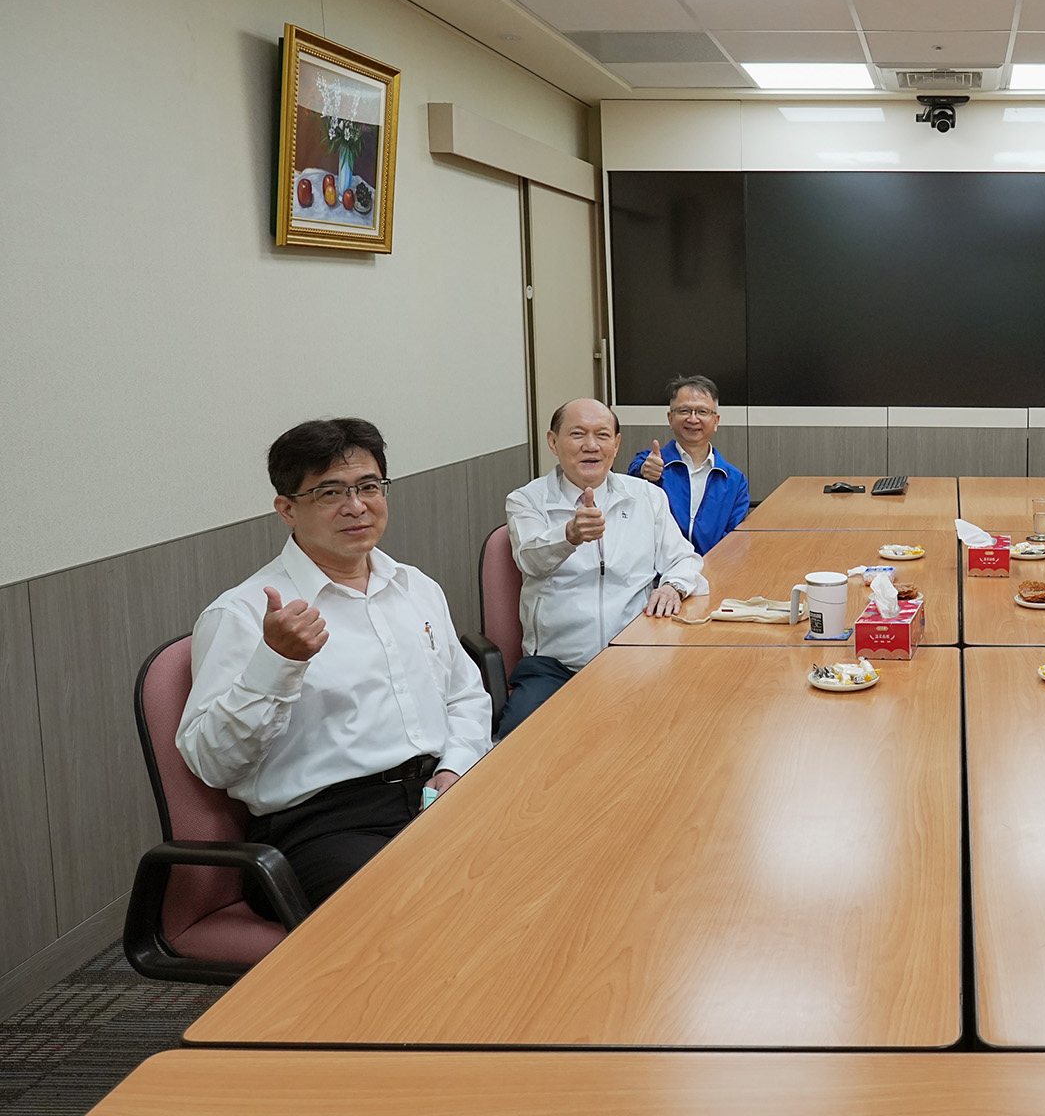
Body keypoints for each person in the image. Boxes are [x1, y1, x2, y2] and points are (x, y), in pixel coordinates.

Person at [179, 418, 492, 914]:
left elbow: (465, 696)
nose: (356, 506)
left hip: (438, 791)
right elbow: (211, 763)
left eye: (369, 486)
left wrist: (455, 767)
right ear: (287, 509)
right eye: (329, 493)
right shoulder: (242, 614)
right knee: (432, 907)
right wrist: (277, 661)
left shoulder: (416, 587)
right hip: (323, 824)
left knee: (553, 855)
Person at [499, 398, 703, 737]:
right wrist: (570, 535)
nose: (591, 445)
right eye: (577, 434)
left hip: (638, 657)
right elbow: (529, 560)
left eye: (602, 435)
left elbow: (684, 558)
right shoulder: (527, 500)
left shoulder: (646, 496)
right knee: (517, 744)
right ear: (553, 442)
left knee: (682, 731)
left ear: (616, 444)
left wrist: (672, 586)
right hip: (555, 666)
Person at [628, 375, 749, 554]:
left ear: (716, 421)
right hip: (659, 569)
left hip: (712, 568)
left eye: (702, 412)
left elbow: (733, 540)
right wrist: (643, 471)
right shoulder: (650, 462)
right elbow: (633, 479)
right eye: (684, 411)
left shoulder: (735, 481)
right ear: (670, 418)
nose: (693, 419)